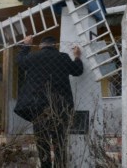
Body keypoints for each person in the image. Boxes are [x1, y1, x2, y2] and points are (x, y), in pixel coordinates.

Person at [16, 35, 83, 168]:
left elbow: (20, 61)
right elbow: (77, 71)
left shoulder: (34, 57)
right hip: (60, 106)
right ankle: (59, 165)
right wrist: (77, 56)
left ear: (41, 46)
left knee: (42, 142)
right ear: (55, 46)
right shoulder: (62, 57)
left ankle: (45, 165)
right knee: (59, 142)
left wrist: (26, 45)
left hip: (39, 107)